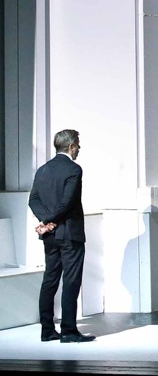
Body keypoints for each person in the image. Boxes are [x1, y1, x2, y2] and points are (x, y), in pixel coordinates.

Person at [28, 129, 95, 343]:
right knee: (71, 281)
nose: (79, 149)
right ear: (71, 146)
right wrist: (50, 221)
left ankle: (47, 330)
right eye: (78, 145)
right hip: (70, 234)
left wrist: (46, 222)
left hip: (50, 235)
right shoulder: (74, 169)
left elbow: (33, 200)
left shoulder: (43, 169)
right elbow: (67, 202)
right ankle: (68, 331)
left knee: (50, 280)